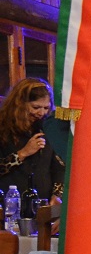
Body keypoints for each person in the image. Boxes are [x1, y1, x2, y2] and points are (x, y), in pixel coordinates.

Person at [0, 78, 65, 206]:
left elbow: (59, 168)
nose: (41, 113)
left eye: (46, 108)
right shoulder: (3, 128)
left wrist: (57, 195)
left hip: (43, 204)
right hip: (10, 205)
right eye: (36, 107)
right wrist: (22, 153)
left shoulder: (48, 128)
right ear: (20, 104)